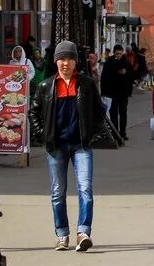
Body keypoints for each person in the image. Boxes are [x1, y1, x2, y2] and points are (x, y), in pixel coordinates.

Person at [29, 40, 106, 252]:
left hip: (81, 145)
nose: (65, 63)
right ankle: (62, 234)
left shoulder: (86, 84)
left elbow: (100, 111)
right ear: (55, 62)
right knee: (57, 192)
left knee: (85, 189)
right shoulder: (47, 86)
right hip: (56, 146)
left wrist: (94, 133)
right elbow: (33, 112)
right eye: (61, 59)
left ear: (75, 62)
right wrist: (43, 135)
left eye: (69, 59)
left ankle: (83, 232)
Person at [100, 44, 135, 140]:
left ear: (122, 53)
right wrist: (103, 92)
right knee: (113, 112)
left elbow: (131, 76)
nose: (118, 55)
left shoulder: (126, 62)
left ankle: (123, 133)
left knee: (123, 112)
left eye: (120, 54)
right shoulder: (109, 62)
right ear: (114, 53)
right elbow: (104, 77)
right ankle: (115, 133)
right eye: (116, 54)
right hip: (112, 92)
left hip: (123, 92)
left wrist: (126, 73)